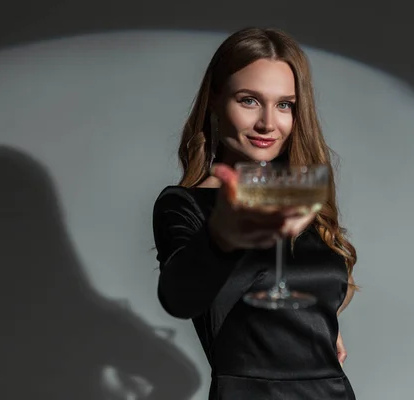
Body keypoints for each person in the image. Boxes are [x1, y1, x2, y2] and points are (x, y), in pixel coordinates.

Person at [152, 27, 358, 399]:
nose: (268, 123)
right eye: (249, 100)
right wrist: (222, 236)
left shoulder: (300, 195)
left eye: (284, 105)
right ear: (215, 100)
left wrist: (318, 324)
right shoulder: (185, 205)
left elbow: (306, 293)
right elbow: (179, 297)